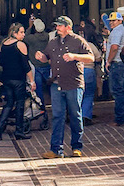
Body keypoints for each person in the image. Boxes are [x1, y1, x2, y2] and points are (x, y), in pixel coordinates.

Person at [37, 16, 94, 159]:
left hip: (73, 84)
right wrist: (41, 57)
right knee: (57, 116)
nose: (57, 28)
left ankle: (77, 146)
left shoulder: (78, 41)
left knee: (75, 115)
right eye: (56, 26)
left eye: (60, 26)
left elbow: (91, 57)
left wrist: (74, 56)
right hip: (56, 83)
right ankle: (56, 149)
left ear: (68, 27)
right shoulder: (52, 42)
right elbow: (46, 57)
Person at [0, 23, 35, 140]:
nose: (23, 35)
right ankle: (19, 130)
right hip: (18, 79)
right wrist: (32, 81)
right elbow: (25, 65)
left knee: (8, 104)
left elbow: (0, 62)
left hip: (6, 78)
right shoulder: (20, 45)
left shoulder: (3, 44)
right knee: (20, 104)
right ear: (14, 33)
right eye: (21, 32)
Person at [105, 11, 124, 126]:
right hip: (122, 63)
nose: (111, 23)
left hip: (117, 63)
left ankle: (120, 118)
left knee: (117, 91)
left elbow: (114, 47)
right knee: (123, 91)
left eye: (113, 20)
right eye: (110, 21)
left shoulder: (116, 31)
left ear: (120, 21)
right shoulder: (123, 31)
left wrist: (108, 61)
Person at [24, 18, 50, 120]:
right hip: (46, 64)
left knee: (38, 89)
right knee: (50, 86)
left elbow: (24, 37)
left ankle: (42, 107)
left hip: (36, 66)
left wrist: (30, 26)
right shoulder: (47, 36)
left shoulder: (31, 38)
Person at [82, 35, 102, 125]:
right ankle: (85, 115)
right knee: (89, 94)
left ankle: (76, 116)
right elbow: (98, 58)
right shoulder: (90, 45)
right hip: (89, 70)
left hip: (76, 71)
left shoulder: (73, 45)